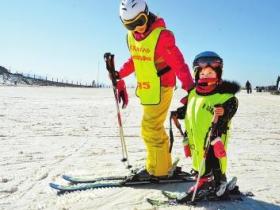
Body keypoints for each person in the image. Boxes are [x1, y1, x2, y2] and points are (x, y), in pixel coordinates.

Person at [109, 0, 194, 178]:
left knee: (150, 128)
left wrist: (190, 88)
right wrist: (120, 74)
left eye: (139, 21)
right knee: (152, 127)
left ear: (146, 13)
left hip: (162, 87)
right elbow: (136, 59)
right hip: (148, 89)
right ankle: (160, 164)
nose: (136, 28)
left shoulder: (162, 37)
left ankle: (159, 171)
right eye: (129, 25)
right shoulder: (133, 37)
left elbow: (179, 64)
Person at [175, 51, 240, 200]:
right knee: (200, 161)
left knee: (212, 160)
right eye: (203, 74)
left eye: (211, 73)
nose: (206, 76)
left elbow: (231, 108)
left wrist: (224, 111)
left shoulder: (226, 96)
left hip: (214, 138)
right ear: (197, 75)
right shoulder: (193, 94)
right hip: (195, 138)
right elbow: (190, 109)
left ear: (218, 74)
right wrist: (180, 113)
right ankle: (214, 182)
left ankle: (210, 183)